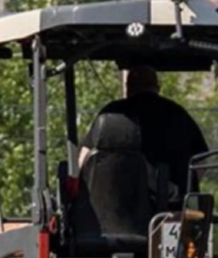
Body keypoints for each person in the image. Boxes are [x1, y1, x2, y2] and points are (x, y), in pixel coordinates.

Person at [86, 66, 208, 199]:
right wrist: (185, 191)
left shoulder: (111, 114)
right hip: (171, 211)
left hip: (113, 209)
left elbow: (84, 158)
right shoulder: (177, 114)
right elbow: (201, 162)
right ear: (157, 87)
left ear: (128, 88)